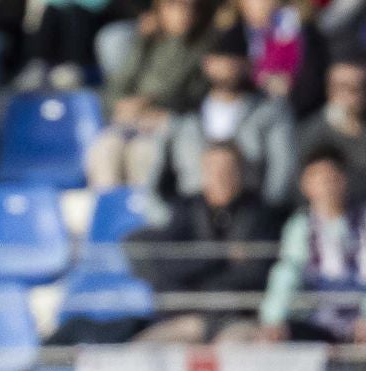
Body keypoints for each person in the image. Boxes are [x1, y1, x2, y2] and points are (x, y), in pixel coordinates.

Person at [128, 140, 282, 340]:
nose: (220, 176)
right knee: (144, 352)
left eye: (228, 169)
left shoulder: (260, 214)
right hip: (186, 319)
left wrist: (196, 279)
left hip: (238, 320)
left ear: (241, 172)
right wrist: (223, 254)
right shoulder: (186, 210)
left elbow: (256, 274)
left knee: (241, 352)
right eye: (213, 169)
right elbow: (167, 267)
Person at [148, 27, 296, 210]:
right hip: (192, 215)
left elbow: (282, 170)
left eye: (233, 60)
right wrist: (170, 218)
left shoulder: (270, 113)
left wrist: (264, 217)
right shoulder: (183, 116)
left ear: (247, 64)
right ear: (207, 64)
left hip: (249, 214)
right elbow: (156, 175)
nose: (226, 67)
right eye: (219, 60)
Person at [87, 0, 211, 191]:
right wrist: (121, 106)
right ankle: (109, 214)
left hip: (169, 120)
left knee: (142, 152)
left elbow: (194, 93)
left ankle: (143, 215)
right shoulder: (147, 43)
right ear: (159, 11)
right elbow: (118, 85)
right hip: (133, 120)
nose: (182, 13)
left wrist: (150, 103)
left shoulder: (204, 46)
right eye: (173, 6)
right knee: (105, 149)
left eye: (188, 7)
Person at [249, 145, 366, 341]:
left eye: (331, 179)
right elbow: (287, 271)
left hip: (358, 315)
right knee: (272, 338)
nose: (326, 187)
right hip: (314, 316)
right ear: (306, 185)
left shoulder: (362, 222)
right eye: (319, 180)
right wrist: (273, 318)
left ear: (343, 181)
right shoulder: (300, 226)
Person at [231, 0, 328, 120]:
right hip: (253, 111)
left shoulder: (298, 28)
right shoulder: (234, 35)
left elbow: (311, 77)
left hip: (299, 111)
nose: (259, 4)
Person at [297, 59, 366, 190]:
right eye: (344, 86)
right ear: (330, 89)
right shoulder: (310, 134)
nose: (352, 94)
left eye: (360, 86)